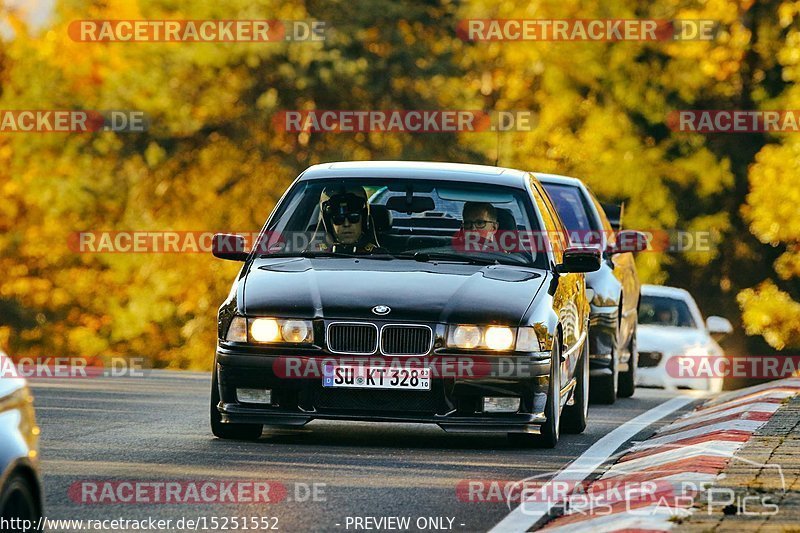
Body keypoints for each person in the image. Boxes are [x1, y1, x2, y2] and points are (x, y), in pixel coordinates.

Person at [315, 185, 381, 253]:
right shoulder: (312, 258)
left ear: (364, 220)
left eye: (353, 217)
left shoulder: (382, 258)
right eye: (339, 218)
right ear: (328, 223)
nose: (346, 224)